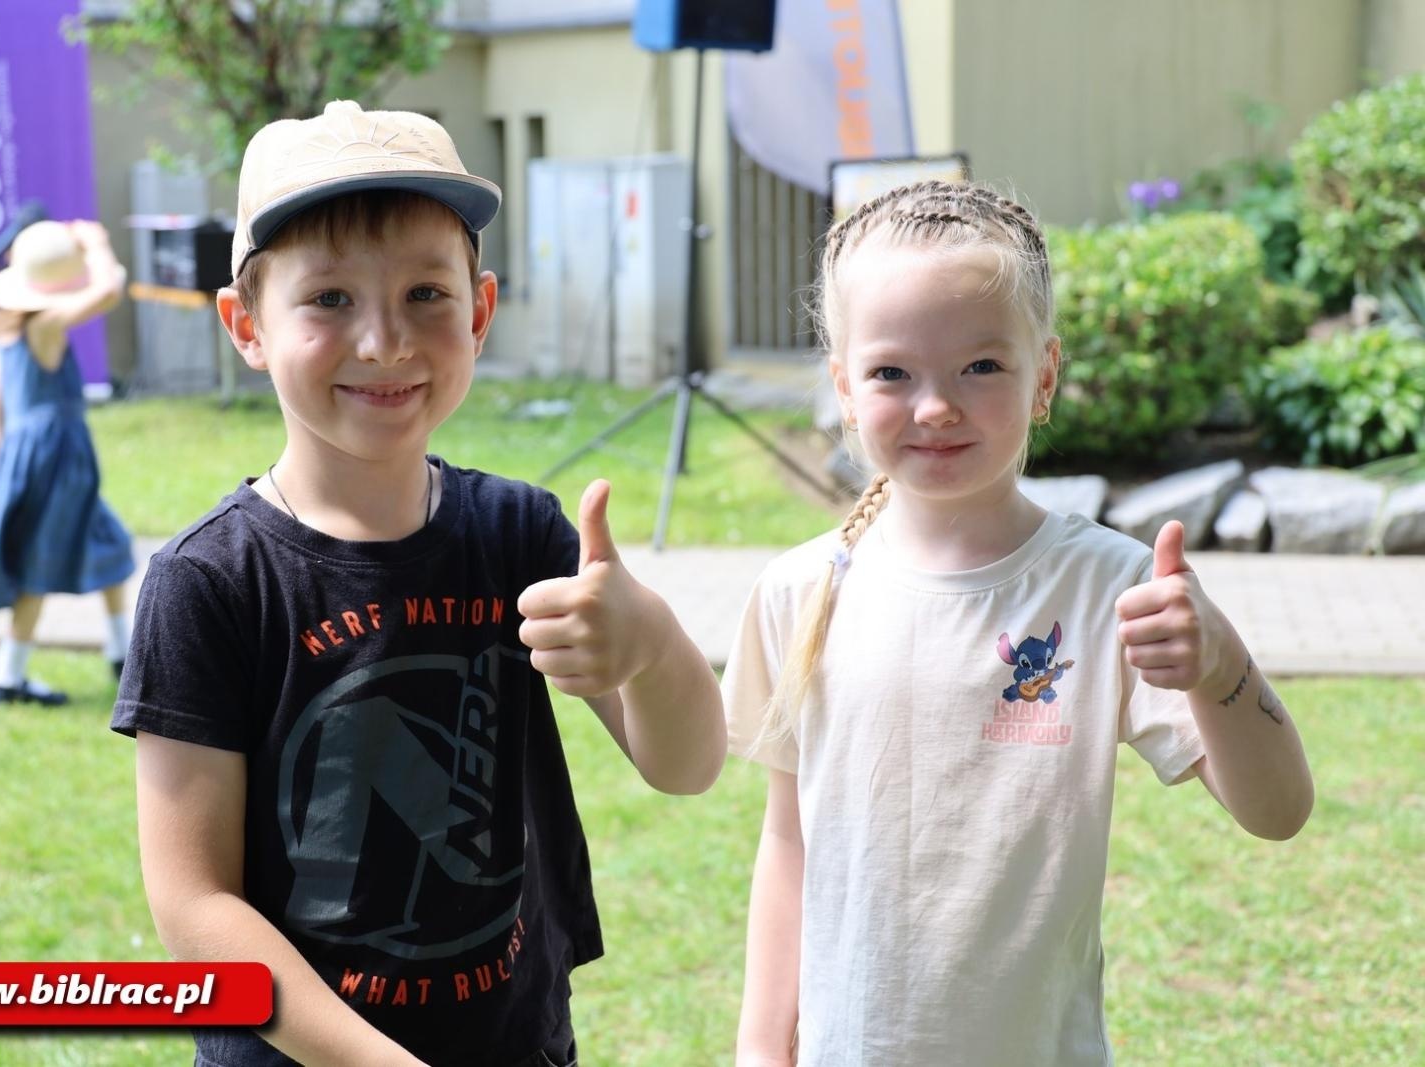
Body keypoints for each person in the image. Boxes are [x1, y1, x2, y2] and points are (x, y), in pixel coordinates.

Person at [110, 100, 726, 1067]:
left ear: (478, 310)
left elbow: (686, 764)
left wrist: (649, 642)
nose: (385, 341)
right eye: (329, 300)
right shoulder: (209, 582)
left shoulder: (520, 534)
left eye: (425, 295)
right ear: (246, 325)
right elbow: (194, 906)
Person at [724, 180, 1314, 1066]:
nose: (936, 406)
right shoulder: (798, 591)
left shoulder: (1108, 586)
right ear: (844, 386)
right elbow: (789, 839)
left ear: (1044, 376)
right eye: (892, 372)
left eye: (982, 366)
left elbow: (1278, 810)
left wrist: (1217, 657)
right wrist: (762, 1049)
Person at [0, 218, 135, 705]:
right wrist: (98, 243)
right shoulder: (44, 325)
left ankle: (122, 653)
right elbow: (109, 292)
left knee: (106, 543)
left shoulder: (7, 335)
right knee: (38, 566)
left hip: (32, 456)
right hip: (58, 459)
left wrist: (11, 462)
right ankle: (8, 678)